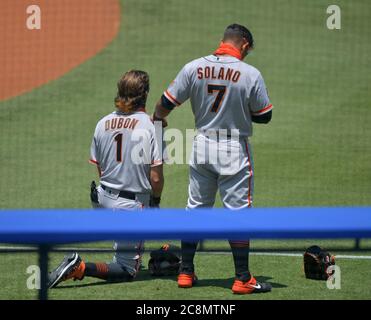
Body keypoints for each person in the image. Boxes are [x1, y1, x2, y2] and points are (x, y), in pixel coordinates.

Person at [153, 24, 273, 294]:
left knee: (195, 209)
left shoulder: (193, 67)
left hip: (201, 145)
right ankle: (242, 278)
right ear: (244, 44)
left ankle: (185, 272)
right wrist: (239, 108)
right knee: (238, 215)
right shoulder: (250, 74)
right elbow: (265, 115)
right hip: (233, 148)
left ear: (222, 41)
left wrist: (157, 120)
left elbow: (165, 102)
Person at [48, 70, 164, 288]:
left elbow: (100, 168)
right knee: (128, 270)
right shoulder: (150, 126)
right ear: (145, 94)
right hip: (129, 207)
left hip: (101, 200)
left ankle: (122, 244)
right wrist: (154, 204)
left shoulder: (102, 123)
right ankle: (79, 266)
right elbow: (156, 178)